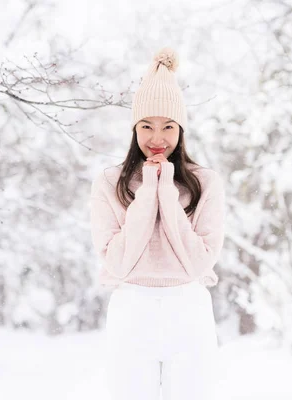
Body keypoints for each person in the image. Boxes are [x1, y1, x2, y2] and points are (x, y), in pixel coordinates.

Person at [89, 47, 225, 400]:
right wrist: (147, 192)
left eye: (168, 126)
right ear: (134, 128)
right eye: (146, 126)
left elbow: (198, 262)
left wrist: (167, 190)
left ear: (181, 129)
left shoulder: (205, 182)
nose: (157, 138)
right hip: (132, 310)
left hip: (188, 310)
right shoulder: (110, 182)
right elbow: (118, 261)